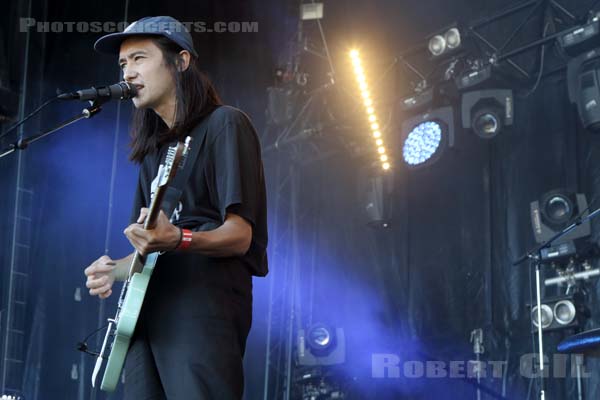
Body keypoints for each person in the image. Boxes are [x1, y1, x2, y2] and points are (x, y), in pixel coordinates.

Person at [83, 16, 268, 399]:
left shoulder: (225, 125)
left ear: (181, 61)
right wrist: (114, 270)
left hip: (201, 305)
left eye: (138, 59)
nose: (128, 72)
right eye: (122, 65)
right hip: (147, 311)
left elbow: (241, 236)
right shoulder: (152, 153)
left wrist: (179, 239)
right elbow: (149, 246)